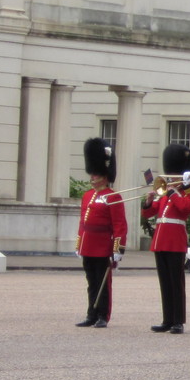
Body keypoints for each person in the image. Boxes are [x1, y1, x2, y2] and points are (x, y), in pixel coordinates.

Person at [141, 143, 190, 334]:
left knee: (176, 283)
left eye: (175, 176)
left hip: (175, 242)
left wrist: (174, 192)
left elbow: (185, 208)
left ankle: (178, 321)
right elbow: (148, 213)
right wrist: (148, 201)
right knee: (165, 282)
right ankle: (167, 319)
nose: (171, 178)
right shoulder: (164, 194)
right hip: (160, 241)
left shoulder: (186, 193)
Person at [75, 137, 127, 328]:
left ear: (104, 177)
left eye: (96, 175)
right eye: (92, 175)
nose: (92, 178)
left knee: (103, 282)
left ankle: (103, 315)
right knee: (91, 282)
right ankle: (91, 314)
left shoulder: (113, 196)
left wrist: (118, 248)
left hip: (103, 245)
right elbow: (83, 222)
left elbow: (119, 225)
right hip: (88, 244)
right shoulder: (88, 196)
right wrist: (79, 244)